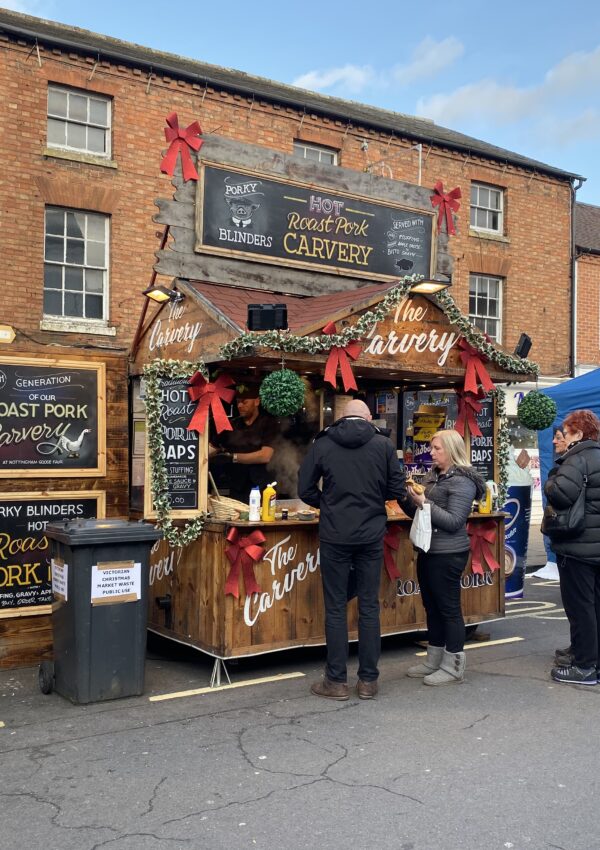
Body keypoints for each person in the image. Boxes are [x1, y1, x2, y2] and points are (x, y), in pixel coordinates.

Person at [298, 398, 407, 701]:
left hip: (334, 535)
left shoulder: (324, 442)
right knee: (369, 606)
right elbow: (397, 490)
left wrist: (329, 505)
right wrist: (373, 502)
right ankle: (368, 682)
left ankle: (336, 681)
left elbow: (304, 488)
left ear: (342, 418)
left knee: (335, 607)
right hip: (371, 534)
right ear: (368, 417)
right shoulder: (383, 445)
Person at [404, 429, 485, 686]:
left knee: (449, 609)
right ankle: (433, 659)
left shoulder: (463, 481)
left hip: (449, 552)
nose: (431, 452)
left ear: (451, 450)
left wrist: (424, 502)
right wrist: (406, 495)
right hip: (428, 549)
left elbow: (454, 521)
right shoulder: (434, 475)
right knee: (432, 606)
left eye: (437, 448)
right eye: (432, 447)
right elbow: (417, 511)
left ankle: (453, 666)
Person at [544, 409, 600, 685]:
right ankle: (594, 661)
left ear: (578, 434)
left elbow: (560, 493)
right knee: (595, 606)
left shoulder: (576, 460)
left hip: (577, 545)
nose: (561, 438)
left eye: (565, 432)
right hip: (595, 546)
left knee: (580, 608)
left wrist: (553, 477)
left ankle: (585, 666)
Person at [210, 383, 278, 502]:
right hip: (237, 486)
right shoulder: (231, 425)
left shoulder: (269, 424)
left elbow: (265, 456)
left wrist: (233, 457)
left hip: (263, 486)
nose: (240, 405)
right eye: (238, 402)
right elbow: (213, 447)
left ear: (256, 402)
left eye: (244, 402)